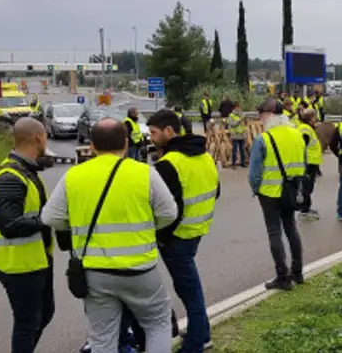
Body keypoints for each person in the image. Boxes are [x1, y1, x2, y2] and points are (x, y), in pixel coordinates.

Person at [42, 118, 177, 353]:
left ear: (92, 146)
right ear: (126, 143)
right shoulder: (145, 173)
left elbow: (50, 218)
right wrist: (147, 227)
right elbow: (169, 213)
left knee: (102, 337)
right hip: (140, 269)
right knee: (157, 324)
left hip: (95, 272)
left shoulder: (74, 176)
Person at [148, 110, 218, 352]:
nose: (151, 138)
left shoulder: (168, 164)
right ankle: (201, 332)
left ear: (169, 131)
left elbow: (165, 209)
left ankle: (197, 342)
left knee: (190, 291)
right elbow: (216, 191)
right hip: (197, 230)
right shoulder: (205, 156)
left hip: (176, 238)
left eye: (153, 133)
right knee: (189, 288)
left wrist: (162, 237)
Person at [0, 118, 56, 352]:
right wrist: (48, 217)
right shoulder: (10, 177)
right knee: (27, 323)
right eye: (45, 136)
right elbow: (10, 226)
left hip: (35, 261)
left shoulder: (25, 170)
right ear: (38, 138)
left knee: (44, 314)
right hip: (19, 265)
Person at [248, 98, 306, 290]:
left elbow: (254, 173)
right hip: (291, 190)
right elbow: (304, 162)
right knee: (291, 229)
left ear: (270, 115)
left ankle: (282, 276)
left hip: (270, 193)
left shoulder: (263, 139)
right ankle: (297, 272)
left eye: (262, 115)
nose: (260, 118)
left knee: (274, 232)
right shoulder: (297, 134)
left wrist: (255, 189)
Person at [297, 108, 322, 220]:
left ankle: (306, 208)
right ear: (310, 118)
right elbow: (303, 144)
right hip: (308, 162)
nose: (315, 119)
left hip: (311, 161)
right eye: (314, 117)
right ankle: (304, 210)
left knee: (308, 186)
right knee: (307, 187)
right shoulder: (305, 129)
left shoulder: (306, 128)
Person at [228, 104, 247, 168]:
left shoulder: (242, 114)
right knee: (235, 150)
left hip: (241, 135)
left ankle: (243, 163)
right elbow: (233, 124)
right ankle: (234, 164)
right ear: (233, 108)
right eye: (236, 108)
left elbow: (244, 124)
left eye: (238, 107)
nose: (238, 109)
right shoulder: (231, 115)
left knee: (242, 150)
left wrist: (245, 120)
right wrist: (240, 120)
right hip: (235, 135)